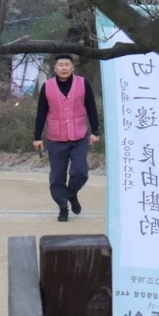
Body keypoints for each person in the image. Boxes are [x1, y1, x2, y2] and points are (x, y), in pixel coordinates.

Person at [33, 54, 101, 222]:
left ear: (72, 67)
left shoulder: (83, 84)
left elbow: (91, 108)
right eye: (60, 65)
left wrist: (95, 132)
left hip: (79, 136)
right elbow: (41, 113)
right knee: (57, 176)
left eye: (67, 65)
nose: (64, 68)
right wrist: (37, 137)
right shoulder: (47, 87)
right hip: (56, 137)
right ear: (55, 68)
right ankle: (63, 207)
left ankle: (71, 193)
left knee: (80, 171)